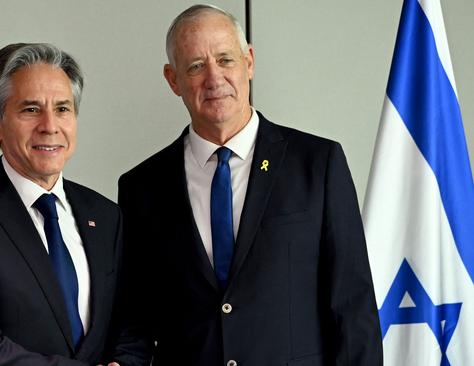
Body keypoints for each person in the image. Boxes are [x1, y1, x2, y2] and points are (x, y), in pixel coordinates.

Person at [111, 5, 383, 366]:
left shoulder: (318, 164)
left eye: (225, 60)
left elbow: (352, 308)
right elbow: (136, 318)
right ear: (173, 79)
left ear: (249, 62)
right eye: (195, 66)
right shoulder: (141, 186)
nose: (213, 78)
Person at [0, 43, 122, 365]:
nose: (50, 126)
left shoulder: (106, 214)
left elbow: (131, 322)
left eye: (62, 108)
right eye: (30, 109)